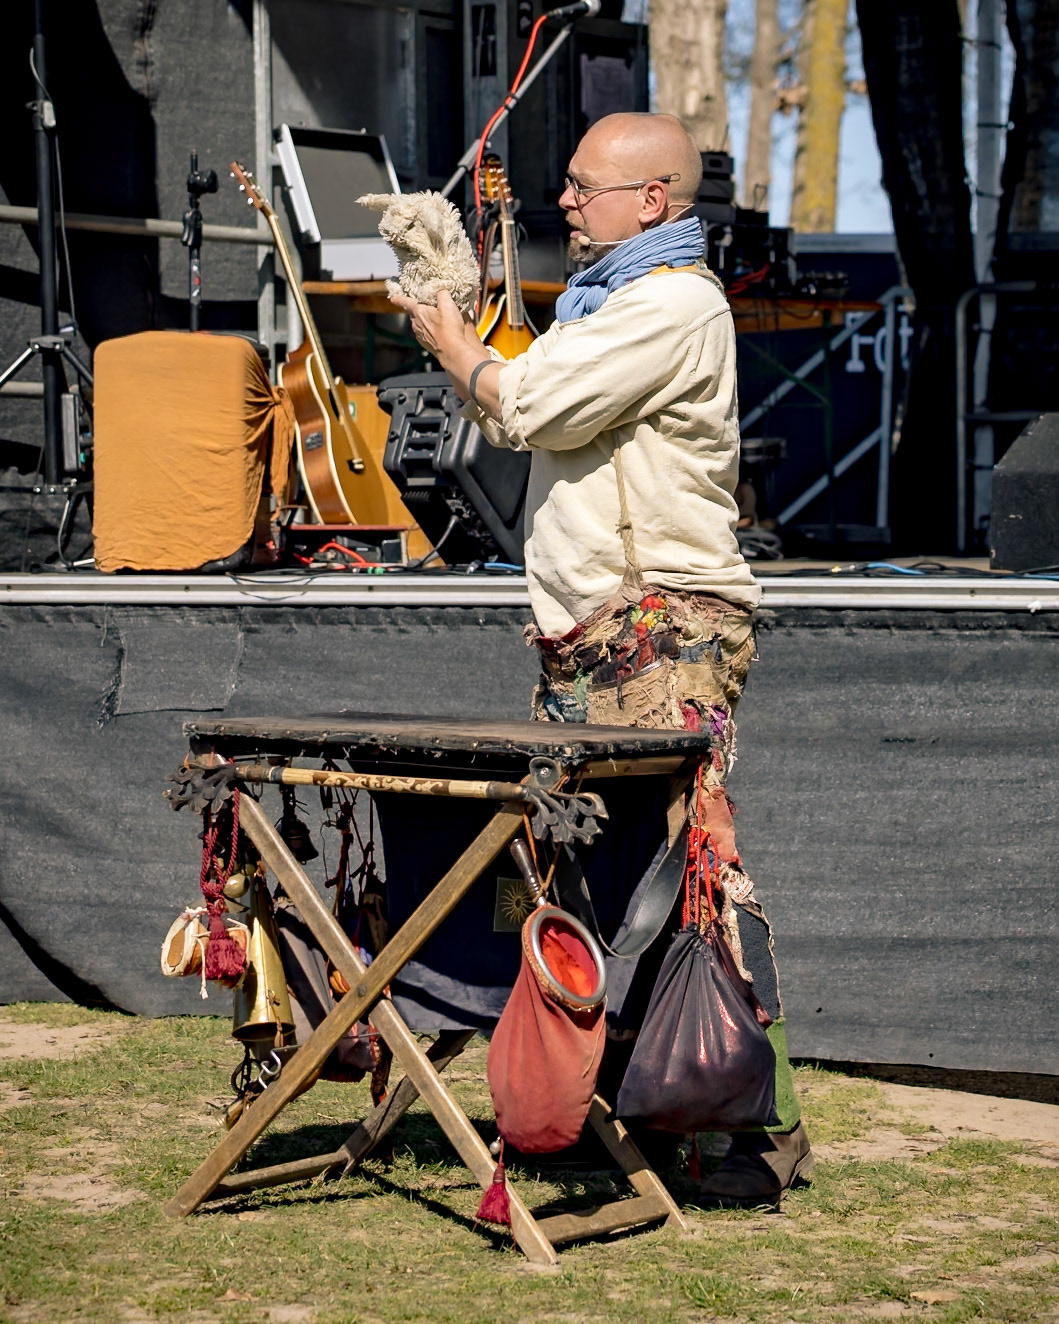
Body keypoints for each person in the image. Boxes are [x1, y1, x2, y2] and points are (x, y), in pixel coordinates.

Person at [392, 111, 813, 1202]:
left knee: (691, 878)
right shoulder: (614, 303)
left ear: (654, 203)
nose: (565, 201)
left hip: (658, 629)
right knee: (613, 881)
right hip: (606, 632)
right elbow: (541, 393)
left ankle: (751, 1138)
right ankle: (623, 1114)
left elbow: (531, 402)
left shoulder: (674, 304)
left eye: (586, 187)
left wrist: (458, 350)